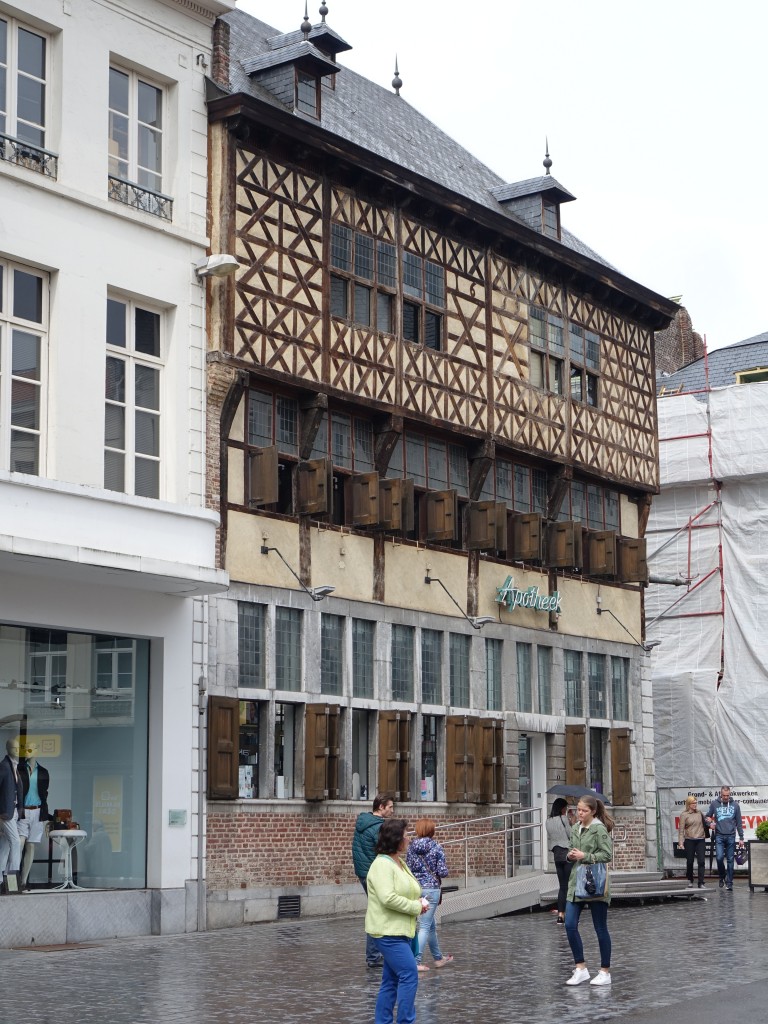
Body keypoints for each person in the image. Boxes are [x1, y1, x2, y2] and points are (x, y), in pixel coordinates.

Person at [365, 818, 428, 1024]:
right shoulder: (382, 865)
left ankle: (382, 1021)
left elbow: (408, 889)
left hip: (402, 930)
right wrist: (416, 906)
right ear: (395, 839)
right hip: (388, 932)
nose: (409, 838)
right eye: (405, 835)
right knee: (410, 975)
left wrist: (417, 900)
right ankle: (405, 1021)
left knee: (390, 981)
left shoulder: (398, 862)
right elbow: (388, 898)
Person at [564, 794, 614, 987]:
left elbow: (607, 854)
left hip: (595, 883)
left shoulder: (599, 829)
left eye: (584, 811)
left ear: (592, 811)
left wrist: (585, 855)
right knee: (569, 924)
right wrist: (570, 855)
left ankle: (604, 971)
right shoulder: (575, 828)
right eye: (578, 810)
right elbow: (571, 849)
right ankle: (580, 968)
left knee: (600, 928)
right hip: (576, 882)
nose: (580, 813)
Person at [352, 792, 395, 967]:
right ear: (381, 807)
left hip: (363, 873)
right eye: (390, 807)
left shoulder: (363, 822)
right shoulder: (377, 827)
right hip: (373, 874)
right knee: (378, 913)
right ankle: (374, 956)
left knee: (377, 911)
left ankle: (377, 954)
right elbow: (383, 851)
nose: (393, 810)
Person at [405, 818, 453, 972]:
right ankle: (415, 960)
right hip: (432, 889)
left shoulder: (411, 847)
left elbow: (408, 868)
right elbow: (443, 872)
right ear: (432, 831)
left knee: (430, 926)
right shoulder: (437, 847)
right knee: (425, 926)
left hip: (416, 888)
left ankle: (438, 958)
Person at [17, 740, 52, 890]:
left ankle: (23, 881)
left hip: (37, 811)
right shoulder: (19, 769)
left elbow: (44, 794)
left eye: (32, 749)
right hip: (22, 810)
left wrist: (46, 814)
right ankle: (13, 876)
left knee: (31, 846)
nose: (29, 751)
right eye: (27, 749)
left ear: (37, 750)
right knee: (19, 843)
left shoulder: (43, 772)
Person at [705, 785, 745, 891]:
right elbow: (707, 816)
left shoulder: (735, 805)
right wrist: (709, 823)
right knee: (719, 858)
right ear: (720, 794)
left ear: (730, 794)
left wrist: (741, 837)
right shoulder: (715, 804)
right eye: (724, 795)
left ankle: (730, 882)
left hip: (731, 836)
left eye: (727, 795)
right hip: (719, 836)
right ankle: (722, 876)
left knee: (730, 860)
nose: (726, 797)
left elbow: (739, 823)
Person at [0, 737, 25, 881]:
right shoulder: (3, 766)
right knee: (16, 842)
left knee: (5, 846)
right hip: (5, 813)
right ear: (8, 749)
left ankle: (1, 879)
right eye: (14, 748)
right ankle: (12, 879)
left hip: (13, 812)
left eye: (18, 748)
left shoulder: (14, 766)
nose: (17, 750)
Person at [546, 797, 573, 923]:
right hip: (567, 855)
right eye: (566, 808)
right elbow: (571, 835)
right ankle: (570, 915)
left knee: (562, 886)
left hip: (557, 855)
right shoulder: (564, 819)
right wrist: (571, 821)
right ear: (563, 808)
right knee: (570, 886)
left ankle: (560, 915)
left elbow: (552, 837)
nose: (566, 810)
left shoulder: (548, 821)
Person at [677, 795, 707, 889]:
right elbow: (681, 830)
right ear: (688, 804)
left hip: (700, 840)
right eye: (693, 803)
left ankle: (701, 882)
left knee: (701, 861)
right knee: (690, 861)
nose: (695, 805)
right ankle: (690, 879)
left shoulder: (700, 813)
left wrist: (710, 824)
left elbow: (706, 823)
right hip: (689, 840)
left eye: (696, 803)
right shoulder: (684, 815)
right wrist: (681, 843)